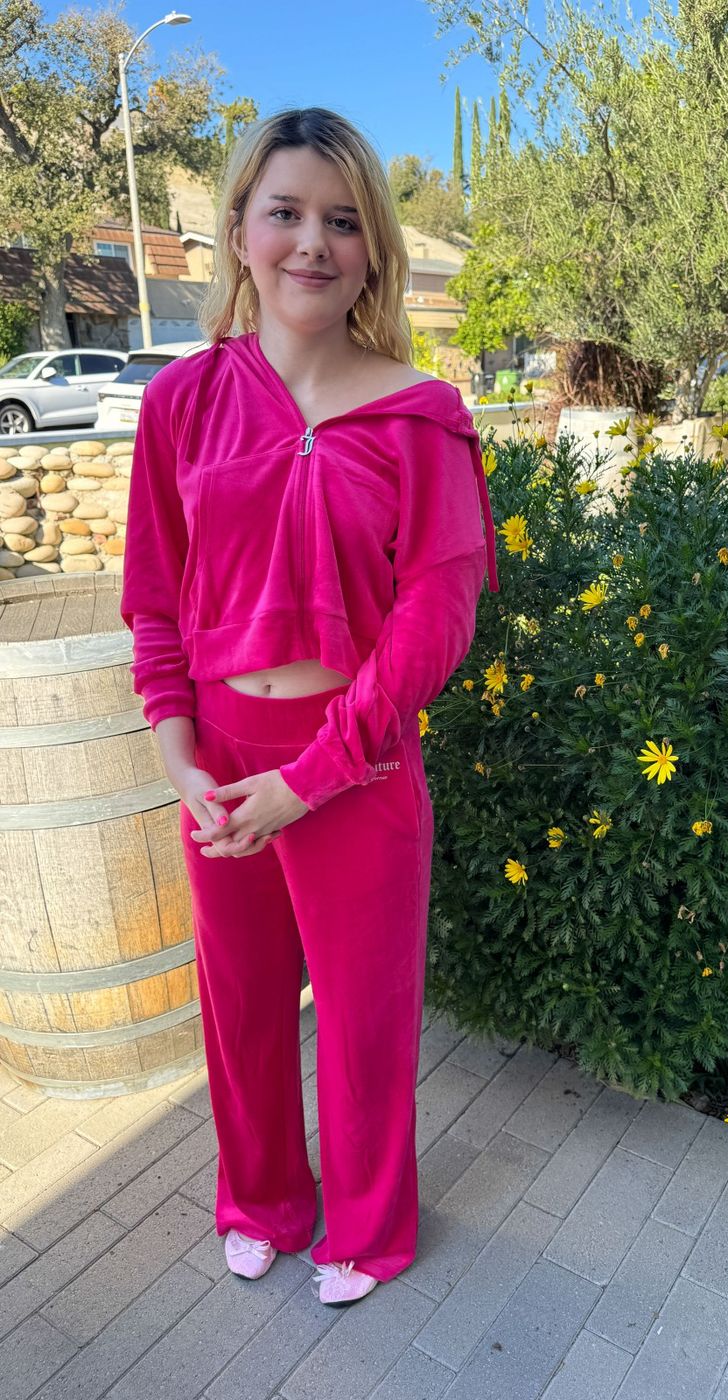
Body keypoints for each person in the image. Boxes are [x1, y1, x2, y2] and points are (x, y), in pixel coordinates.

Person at [119, 106, 499, 1308]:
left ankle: (371, 1229)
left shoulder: (420, 415)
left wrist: (310, 777)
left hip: (358, 763)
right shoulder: (182, 402)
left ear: (373, 248)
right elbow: (155, 598)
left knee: (365, 1016)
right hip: (221, 758)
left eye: (342, 220)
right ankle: (262, 1201)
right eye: (285, 212)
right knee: (237, 1007)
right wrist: (181, 758)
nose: (311, 243)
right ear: (239, 230)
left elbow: (434, 618)